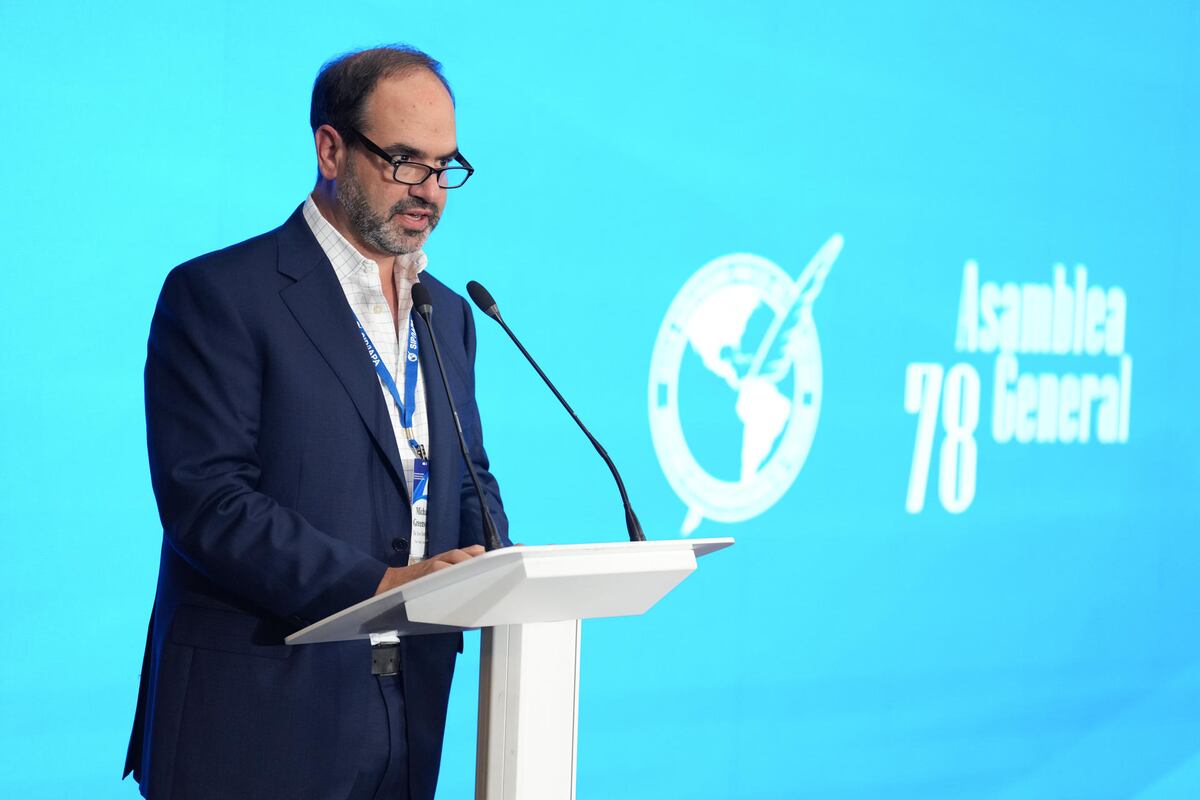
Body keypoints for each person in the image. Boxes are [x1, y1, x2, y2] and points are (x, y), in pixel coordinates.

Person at [123, 45, 508, 800]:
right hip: (259, 717)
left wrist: (499, 571)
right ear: (331, 149)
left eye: (444, 167)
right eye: (405, 161)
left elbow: (467, 475)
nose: (429, 191)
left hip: (408, 710)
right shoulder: (221, 294)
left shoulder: (449, 314)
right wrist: (381, 585)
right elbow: (209, 502)